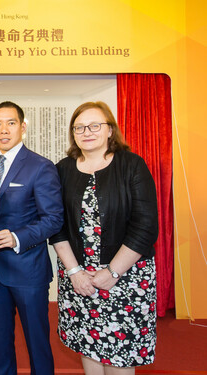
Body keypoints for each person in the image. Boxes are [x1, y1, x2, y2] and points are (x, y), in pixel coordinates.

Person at [49, 101, 158, 374]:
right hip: (80, 279)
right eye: (79, 127)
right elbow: (57, 225)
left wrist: (112, 272)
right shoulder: (63, 169)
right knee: (88, 347)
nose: (87, 132)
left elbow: (145, 226)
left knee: (120, 356)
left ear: (110, 130)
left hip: (127, 278)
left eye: (95, 125)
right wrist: (74, 271)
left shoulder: (131, 165)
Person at [0, 101, 63, 375]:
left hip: (28, 271)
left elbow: (53, 219)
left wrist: (17, 237)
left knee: (37, 344)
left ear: (23, 127)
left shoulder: (40, 166)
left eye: (11, 123)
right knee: (0, 344)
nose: (3, 130)